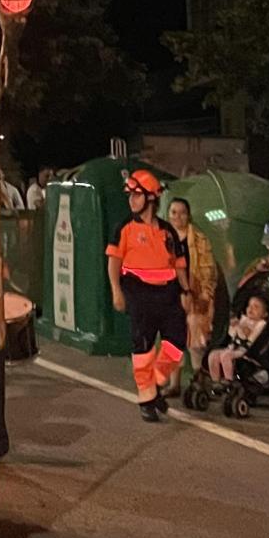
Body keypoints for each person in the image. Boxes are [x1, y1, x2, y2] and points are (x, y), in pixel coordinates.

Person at [108, 170, 190, 422]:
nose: (132, 200)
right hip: (138, 291)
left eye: (137, 195)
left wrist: (186, 291)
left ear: (151, 198)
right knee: (142, 346)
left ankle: (152, 388)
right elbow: (113, 261)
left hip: (168, 292)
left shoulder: (168, 231)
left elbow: (179, 263)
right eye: (130, 195)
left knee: (176, 344)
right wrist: (116, 292)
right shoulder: (125, 228)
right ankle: (146, 398)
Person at [168, 196, 218, 381]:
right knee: (172, 339)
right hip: (169, 294)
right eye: (173, 212)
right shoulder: (162, 237)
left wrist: (205, 293)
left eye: (182, 213)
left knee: (196, 338)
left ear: (188, 215)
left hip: (195, 294)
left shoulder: (200, 239)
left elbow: (208, 269)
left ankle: (199, 379)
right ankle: (174, 384)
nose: (177, 217)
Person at [208, 295, 269, 388]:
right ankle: (216, 381)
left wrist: (241, 328)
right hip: (233, 346)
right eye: (249, 306)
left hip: (244, 350)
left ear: (264, 314)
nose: (251, 309)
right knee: (213, 355)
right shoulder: (244, 319)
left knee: (226, 356)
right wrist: (233, 326)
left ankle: (228, 380)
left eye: (256, 307)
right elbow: (233, 333)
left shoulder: (259, 324)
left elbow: (247, 335)